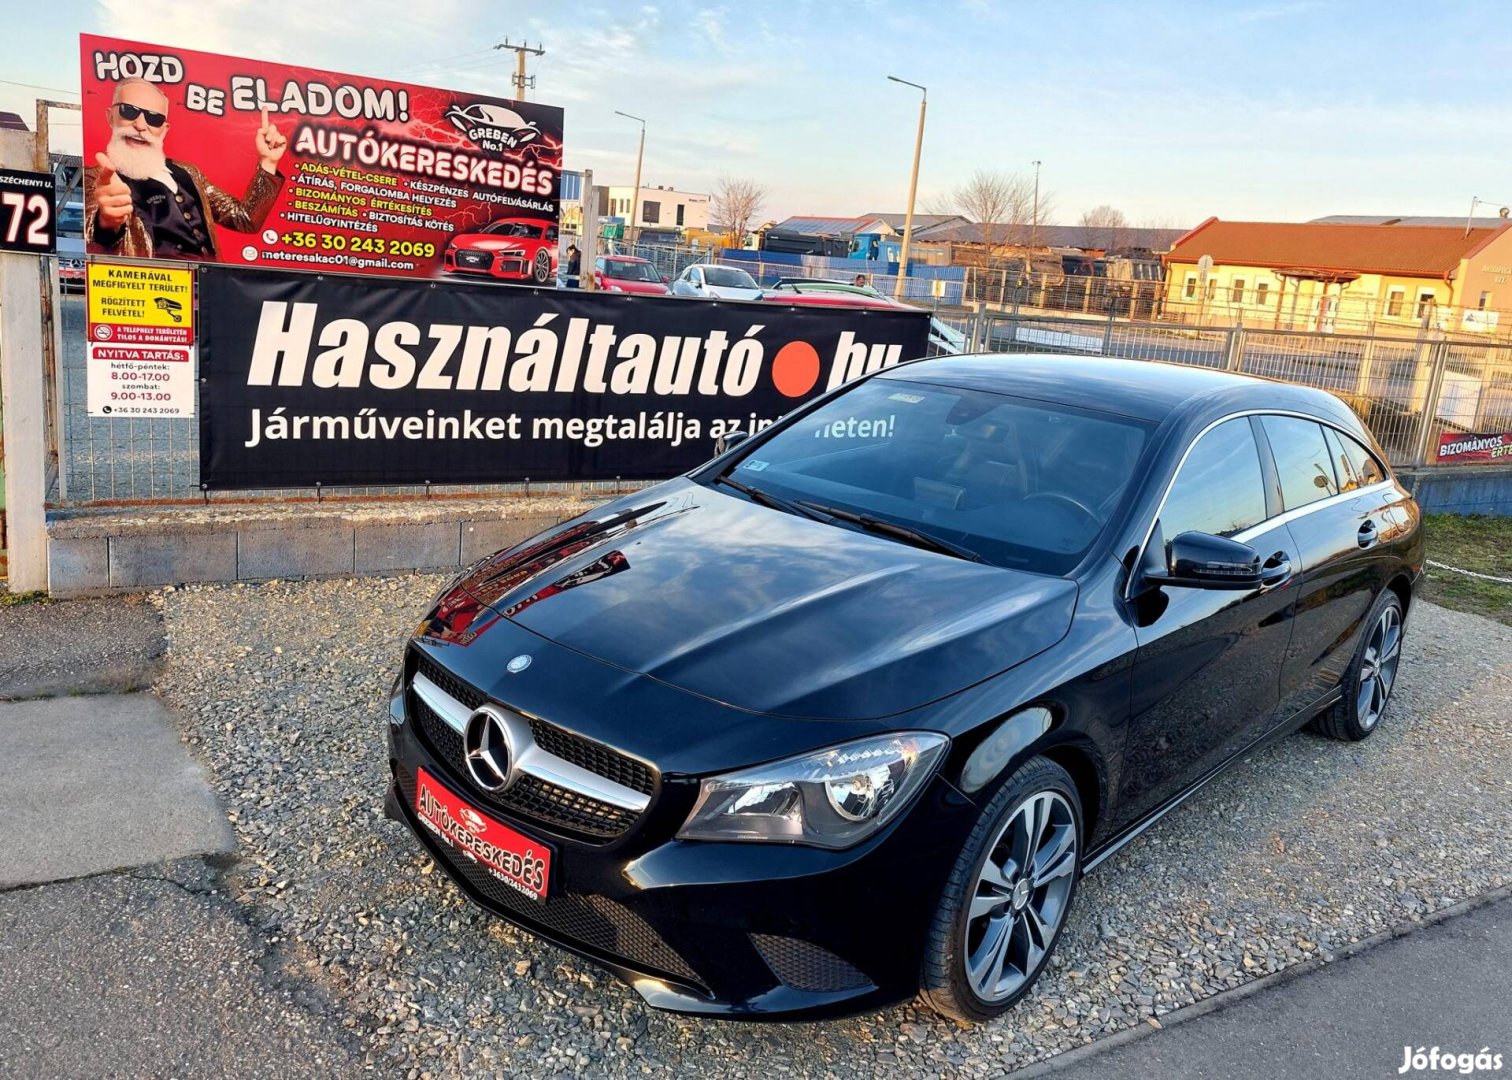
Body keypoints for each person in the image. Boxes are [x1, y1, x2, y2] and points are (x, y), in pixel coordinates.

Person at [85, 77, 288, 260]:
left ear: (163, 130)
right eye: (129, 111)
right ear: (111, 117)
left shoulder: (189, 173)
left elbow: (244, 219)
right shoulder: (94, 178)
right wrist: (107, 221)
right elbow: (93, 233)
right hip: (150, 294)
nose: (140, 124)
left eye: (153, 118)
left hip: (209, 290)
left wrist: (268, 163)